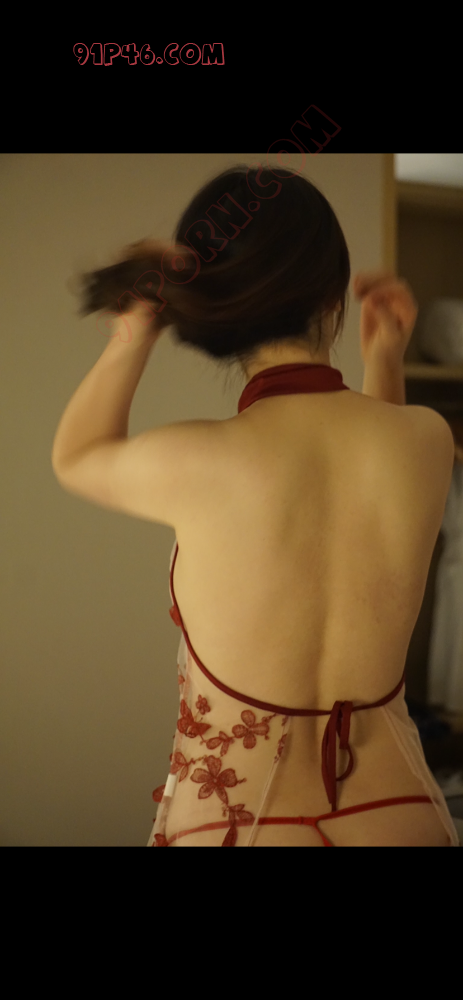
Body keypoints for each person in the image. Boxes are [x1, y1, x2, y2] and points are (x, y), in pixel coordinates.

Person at [76, 165, 461, 846]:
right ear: (331, 295)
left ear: (222, 304)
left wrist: (134, 326)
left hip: (240, 823)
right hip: (399, 810)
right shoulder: (426, 439)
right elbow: (376, 478)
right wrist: (385, 359)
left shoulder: (197, 457)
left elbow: (78, 454)